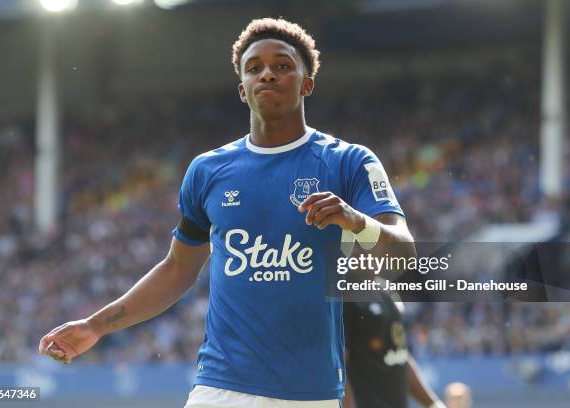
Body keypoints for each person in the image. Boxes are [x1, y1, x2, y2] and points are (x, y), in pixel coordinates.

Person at [38, 18, 414, 408]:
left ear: (307, 84)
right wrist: (95, 325)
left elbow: (406, 257)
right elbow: (176, 269)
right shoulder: (207, 171)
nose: (267, 74)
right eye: (254, 68)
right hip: (220, 389)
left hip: (312, 395)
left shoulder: (350, 162)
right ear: (242, 90)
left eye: (283, 65)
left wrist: (357, 222)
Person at [343, 291, 445, 408]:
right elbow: (338, 366)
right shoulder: (343, 296)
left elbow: (399, 356)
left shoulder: (387, 293)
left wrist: (434, 404)